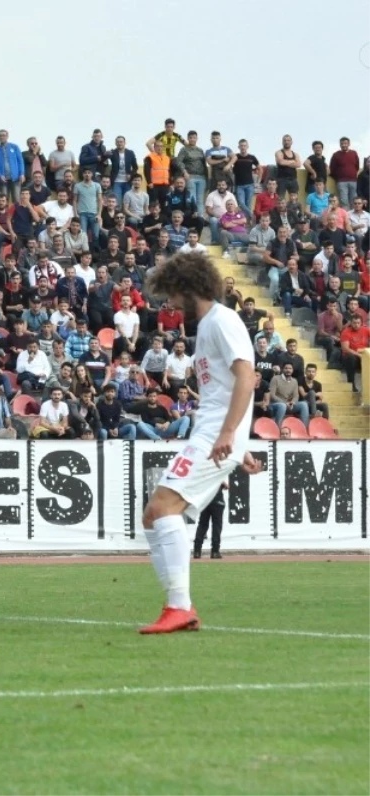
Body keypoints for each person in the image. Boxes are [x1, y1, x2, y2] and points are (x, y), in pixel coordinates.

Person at [139, 251, 263, 634]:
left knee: (163, 508)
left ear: (188, 287)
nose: (172, 305)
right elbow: (224, 390)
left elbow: (246, 378)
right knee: (152, 515)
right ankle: (179, 605)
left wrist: (229, 435)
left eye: (173, 295)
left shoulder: (222, 322)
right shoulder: (208, 326)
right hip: (213, 434)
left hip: (214, 436)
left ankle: (179, 606)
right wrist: (239, 445)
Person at [192, 484, 226, 560]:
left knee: (202, 525)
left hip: (206, 501)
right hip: (217, 501)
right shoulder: (218, 474)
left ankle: (197, 551)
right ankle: (215, 551)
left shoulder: (206, 474)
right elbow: (225, 484)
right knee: (217, 526)